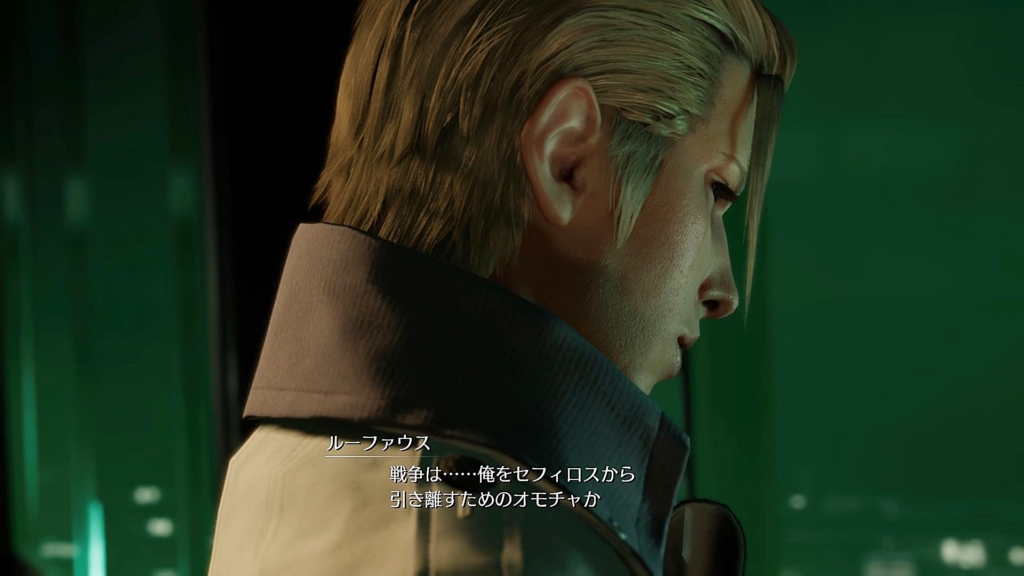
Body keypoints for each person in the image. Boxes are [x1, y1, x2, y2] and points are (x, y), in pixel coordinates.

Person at [208, 0, 796, 574]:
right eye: (716, 190)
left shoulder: (274, 466)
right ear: (566, 160)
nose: (723, 292)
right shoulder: (503, 545)